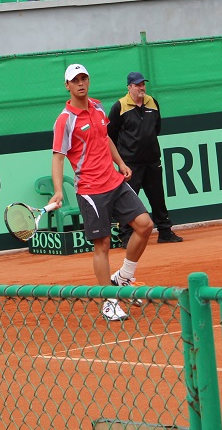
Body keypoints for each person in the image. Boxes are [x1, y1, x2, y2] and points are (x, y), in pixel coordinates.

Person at [51, 63, 154, 321]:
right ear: (67, 85)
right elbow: (58, 157)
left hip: (114, 181)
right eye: (75, 80)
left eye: (84, 78)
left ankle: (123, 277)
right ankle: (109, 301)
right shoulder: (65, 120)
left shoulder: (97, 107)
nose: (81, 83)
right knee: (103, 245)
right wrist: (57, 190)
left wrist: (120, 162)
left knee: (144, 225)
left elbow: (105, 137)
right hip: (90, 189)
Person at [108, 71, 183, 245]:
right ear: (129, 87)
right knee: (127, 201)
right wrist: (122, 159)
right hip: (130, 164)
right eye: (137, 85)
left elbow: (156, 128)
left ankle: (165, 232)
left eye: (143, 84)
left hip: (152, 161)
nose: (141, 87)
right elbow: (110, 135)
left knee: (158, 197)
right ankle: (126, 236)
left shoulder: (152, 103)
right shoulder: (119, 106)